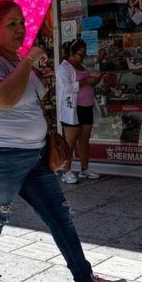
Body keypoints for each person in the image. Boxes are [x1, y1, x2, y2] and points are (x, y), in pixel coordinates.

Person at [0, 0, 126, 282]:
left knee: (59, 215)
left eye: (22, 22)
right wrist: (28, 62)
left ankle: (85, 281)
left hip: (34, 155)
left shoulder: (16, 60)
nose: (20, 29)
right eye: (11, 24)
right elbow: (2, 98)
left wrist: (39, 75)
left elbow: (32, 94)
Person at [56, 38, 103, 184]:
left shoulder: (81, 65)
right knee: (70, 141)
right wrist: (86, 82)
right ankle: (66, 171)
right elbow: (67, 87)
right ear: (71, 52)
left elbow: (84, 84)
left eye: (84, 55)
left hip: (86, 107)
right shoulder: (63, 68)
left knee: (84, 140)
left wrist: (94, 81)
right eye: (80, 54)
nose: (82, 57)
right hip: (72, 109)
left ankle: (84, 168)